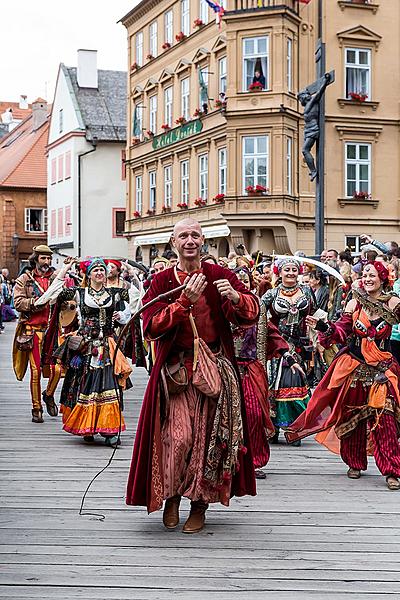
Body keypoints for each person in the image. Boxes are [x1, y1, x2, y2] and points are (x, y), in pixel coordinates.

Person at [126, 218, 259, 533]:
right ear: (174, 243)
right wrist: (183, 303)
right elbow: (150, 326)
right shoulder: (160, 282)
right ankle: (171, 498)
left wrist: (238, 298)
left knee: (209, 441)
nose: (189, 240)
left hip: (214, 371)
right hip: (177, 374)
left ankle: (199, 505)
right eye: (183, 235)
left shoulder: (219, 276)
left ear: (203, 242)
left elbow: (251, 314)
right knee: (178, 438)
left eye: (195, 235)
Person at [287, 262, 400, 491]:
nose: (367, 278)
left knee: (385, 420)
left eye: (372, 275)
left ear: (382, 278)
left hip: (382, 370)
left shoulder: (393, 303)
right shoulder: (353, 302)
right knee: (351, 420)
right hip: (355, 369)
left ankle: (391, 470)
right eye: (365, 274)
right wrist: (323, 326)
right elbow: (341, 331)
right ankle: (355, 463)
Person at [232, 267, 289, 479]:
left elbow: (272, 333)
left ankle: (255, 461)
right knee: (229, 415)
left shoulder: (258, 308)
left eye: (244, 280)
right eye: (237, 280)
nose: (241, 284)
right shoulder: (221, 307)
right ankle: (231, 460)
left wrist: (286, 352)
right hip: (226, 368)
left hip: (252, 368)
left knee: (255, 414)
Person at [261, 257, 316, 444]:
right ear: (279, 272)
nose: (291, 273)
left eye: (294, 269)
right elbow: (258, 314)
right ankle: (274, 427)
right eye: (287, 270)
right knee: (275, 384)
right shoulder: (271, 294)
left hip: (299, 345)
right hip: (278, 345)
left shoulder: (307, 291)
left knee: (296, 383)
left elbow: (314, 313)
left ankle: (295, 428)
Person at [12, 245, 62, 423]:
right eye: (43, 258)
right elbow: (17, 302)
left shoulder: (55, 278)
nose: (47, 262)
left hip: (52, 332)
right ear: (36, 259)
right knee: (35, 372)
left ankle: (48, 395)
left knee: (57, 369)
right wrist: (36, 302)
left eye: (49, 259)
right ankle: (36, 407)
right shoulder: (24, 279)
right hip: (32, 331)